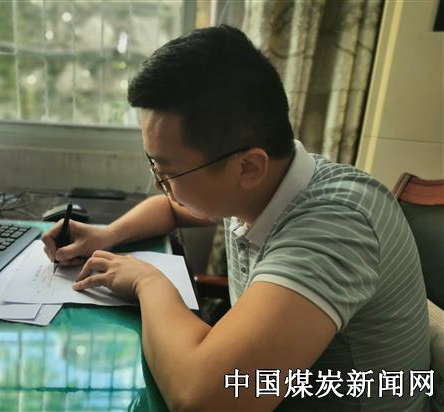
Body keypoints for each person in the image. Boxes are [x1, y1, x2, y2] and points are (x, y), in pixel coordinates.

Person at [42, 25, 430, 411]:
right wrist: (106, 234)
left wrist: (148, 281)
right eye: (154, 165)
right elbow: (171, 207)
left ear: (248, 167)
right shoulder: (262, 183)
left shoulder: (333, 228)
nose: (160, 184)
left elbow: (204, 399)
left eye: (168, 171)